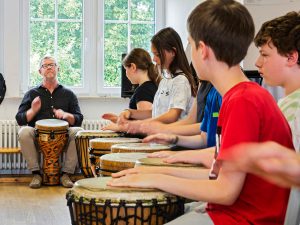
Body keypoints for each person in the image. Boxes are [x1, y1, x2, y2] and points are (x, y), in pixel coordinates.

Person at [108, 1, 295, 225]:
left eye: (191, 45)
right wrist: (157, 174)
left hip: (242, 218)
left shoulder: (244, 100)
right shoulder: (237, 96)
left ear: (203, 50)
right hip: (232, 213)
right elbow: (219, 170)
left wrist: (156, 177)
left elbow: (225, 190)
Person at [15, 56, 83, 189]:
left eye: (52, 64)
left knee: (79, 132)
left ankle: (66, 174)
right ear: (40, 71)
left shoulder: (69, 94)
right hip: (38, 136)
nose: (49, 67)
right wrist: (33, 111)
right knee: (24, 132)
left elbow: (79, 119)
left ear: (58, 68)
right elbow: (20, 119)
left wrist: (65, 115)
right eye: (45, 65)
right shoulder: (31, 93)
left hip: (63, 135)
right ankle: (36, 174)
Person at [115, 27, 197, 133]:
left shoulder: (181, 80)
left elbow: (173, 115)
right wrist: (130, 113)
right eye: (153, 54)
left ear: (172, 52)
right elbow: (154, 113)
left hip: (173, 143)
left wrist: (140, 124)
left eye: (157, 54)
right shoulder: (164, 80)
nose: (154, 59)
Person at [254, 11, 300, 152]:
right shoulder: (287, 103)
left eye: (265, 55)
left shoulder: (297, 108)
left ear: (291, 58)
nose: (257, 63)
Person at [102, 48, 158, 128]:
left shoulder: (144, 90)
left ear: (133, 67)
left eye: (126, 69)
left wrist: (118, 128)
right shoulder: (151, 86)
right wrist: (118, 119)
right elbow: (139, 120)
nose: (126, 74)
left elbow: (144, 125)